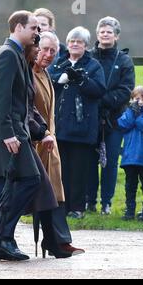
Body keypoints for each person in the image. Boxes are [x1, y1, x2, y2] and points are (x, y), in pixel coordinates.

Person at [0, 11, 63, 262]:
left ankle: (0, 242)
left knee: (9, 187)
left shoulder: (19, 56)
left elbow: (23, 103)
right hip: (8, 136)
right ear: (18, 28)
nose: (37, 33)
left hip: (17, 133)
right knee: (29, 180)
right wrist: (8, 135)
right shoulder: (6, 55)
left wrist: (40, 131)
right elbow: (0, 101)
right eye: (34, 28)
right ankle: (1, 239)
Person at [32, 31, 84, 255]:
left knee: (53, 192)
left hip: (49, 144)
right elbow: (26, 109)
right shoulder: (27, 73)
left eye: (54, 51)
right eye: (45, 49)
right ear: (36, 49)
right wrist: (42, 132)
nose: (49, 54)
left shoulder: (45, 74)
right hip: (32, 143)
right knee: (10, 195)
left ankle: (57, 240)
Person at [48, 26, 106, 219]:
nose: (74, 44)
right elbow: (47, 83)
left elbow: (99, 90)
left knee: (79, 169)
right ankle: (62, 205)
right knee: (61, 168)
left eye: (79, 42)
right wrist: (61, 79)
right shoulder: (58, 63)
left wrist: (82, 80)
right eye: (72, 41)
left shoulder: (93, 65)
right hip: (61, 124)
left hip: (83, 125)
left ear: (85, 45)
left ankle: (77, 208)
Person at [86, 17, 135, 215]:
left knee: (111, 162)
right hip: (90, 119)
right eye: (102, 31)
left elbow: (126, 89)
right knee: (89, 161)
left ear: (116, 36)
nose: (105, 34)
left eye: (109, 31)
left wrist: (103, 99)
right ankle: (90, 201)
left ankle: (106, 203)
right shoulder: (87, 57)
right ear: (97, 34)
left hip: (115, 118)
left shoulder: (124, 60)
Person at [118, 86, 143, 222]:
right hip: (129, 158)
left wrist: (138, 115)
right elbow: (123, 124)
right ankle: (129, 209)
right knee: (130, 185)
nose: (139, 102)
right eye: (136, 99)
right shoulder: (128, 113)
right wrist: (133, 113)